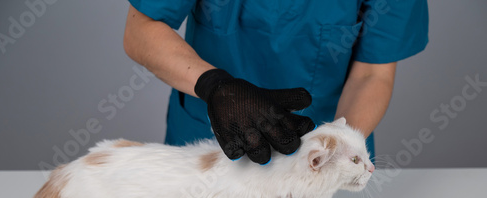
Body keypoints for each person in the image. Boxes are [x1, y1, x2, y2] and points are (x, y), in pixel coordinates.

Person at [123, 0, 428, 164]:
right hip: (206, 147)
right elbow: (140, 31)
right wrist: (215, 86)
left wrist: (337, 148)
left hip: (319, 151)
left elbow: (372, 73)